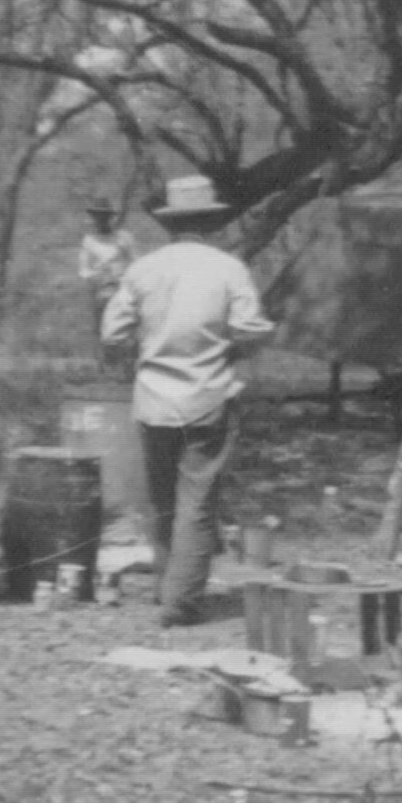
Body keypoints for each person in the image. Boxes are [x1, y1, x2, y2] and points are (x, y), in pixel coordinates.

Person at [101, 176, 274, 627]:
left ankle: (167, 588)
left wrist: (141, 349)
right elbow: (254, 328)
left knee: (161, 499)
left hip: (155, 398)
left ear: (170, 224)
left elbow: (112, 333)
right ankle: (181, 603)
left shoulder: (143, 269)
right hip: (207, 396)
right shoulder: (227, 269)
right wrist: (233, 349)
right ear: (212, 222)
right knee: (197, 502)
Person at [78, 198, 138, 367]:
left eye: (104, 216)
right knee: (103, 324)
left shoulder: (123, 238)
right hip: (102, 288)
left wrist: (124, 278)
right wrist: (97, 276)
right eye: (97, 217)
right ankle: (107, 362)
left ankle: (127, 362)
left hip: (123, 286)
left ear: (110, 217)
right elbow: (84, 269)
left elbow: (136, 261)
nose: (101, 220)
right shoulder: (89, 240)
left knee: (125, 323)